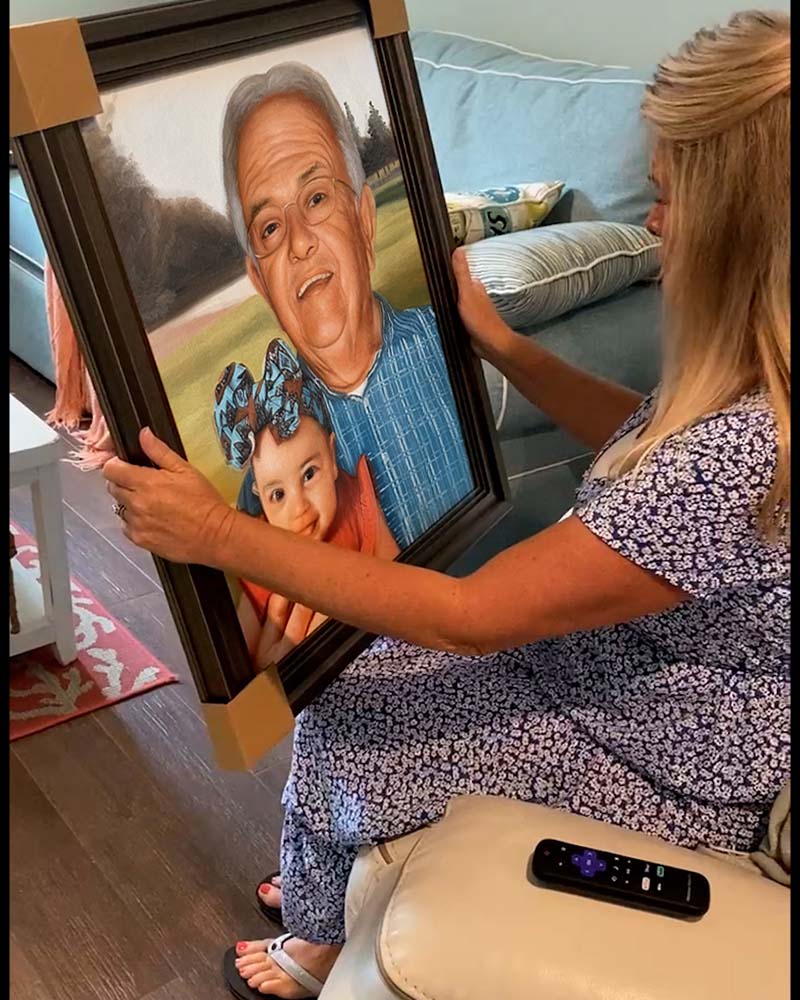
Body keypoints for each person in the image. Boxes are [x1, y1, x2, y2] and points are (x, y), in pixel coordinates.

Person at [105, 11, 789, 998]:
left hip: (661, 758)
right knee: (355, 663)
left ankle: (323, 931)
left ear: (734, 222)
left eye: (667, 196)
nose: (650, 219)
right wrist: (504, 345)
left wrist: (221, 532)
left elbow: (470, 617)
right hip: (643, 691)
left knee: (354, 685)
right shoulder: (751, 389)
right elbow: (638, 438)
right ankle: (331, 883)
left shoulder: (733, 452)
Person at [221, 63, 474, 551]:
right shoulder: (265, 466)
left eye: (316, 198)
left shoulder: (455, 347)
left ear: (364, 222)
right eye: (270, 227)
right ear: (260, 280)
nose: (298, 244)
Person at [215, 338, 399, 667]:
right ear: (258, 494)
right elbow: (240, 671)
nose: (299, 508)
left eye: (309, 474)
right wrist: (270, 673)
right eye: (278, 494)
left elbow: (404, 580)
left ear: (331, 456)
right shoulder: (260, 553)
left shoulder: (357, 500)